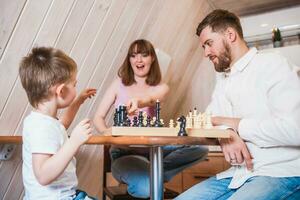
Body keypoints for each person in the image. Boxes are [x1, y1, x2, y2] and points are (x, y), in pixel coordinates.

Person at [175, 9, 300, 200]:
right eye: (204, 47)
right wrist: (228, 132)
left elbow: (295, 130)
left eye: (209, 44)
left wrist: (235, 124)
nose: (206, 53)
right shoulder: (224, 79)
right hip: (238, 175)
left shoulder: (273, 64)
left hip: (281, 172)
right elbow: (208, 120)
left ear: (230, 35)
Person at [93, 39, 208, 198]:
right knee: (149, 189)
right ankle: (151, 178)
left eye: (144, 55)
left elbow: (152, 98)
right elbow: (98, 117)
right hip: (124, 153)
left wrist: (138, 102)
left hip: (155, 150)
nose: (138, 60)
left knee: (199, 148)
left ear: (152, 58)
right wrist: (106, 131)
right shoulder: (117, 84)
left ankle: (154, 175)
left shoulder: (161, 87)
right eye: (133, 56)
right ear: (129, 60)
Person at [19, 47, 97, 200]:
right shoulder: (41, 127)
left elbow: (60, 128)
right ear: (61, 91)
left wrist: (77, 102)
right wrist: (74, 142)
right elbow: (42, 175)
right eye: (74, 85)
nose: (76, 88)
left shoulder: (42, 121)